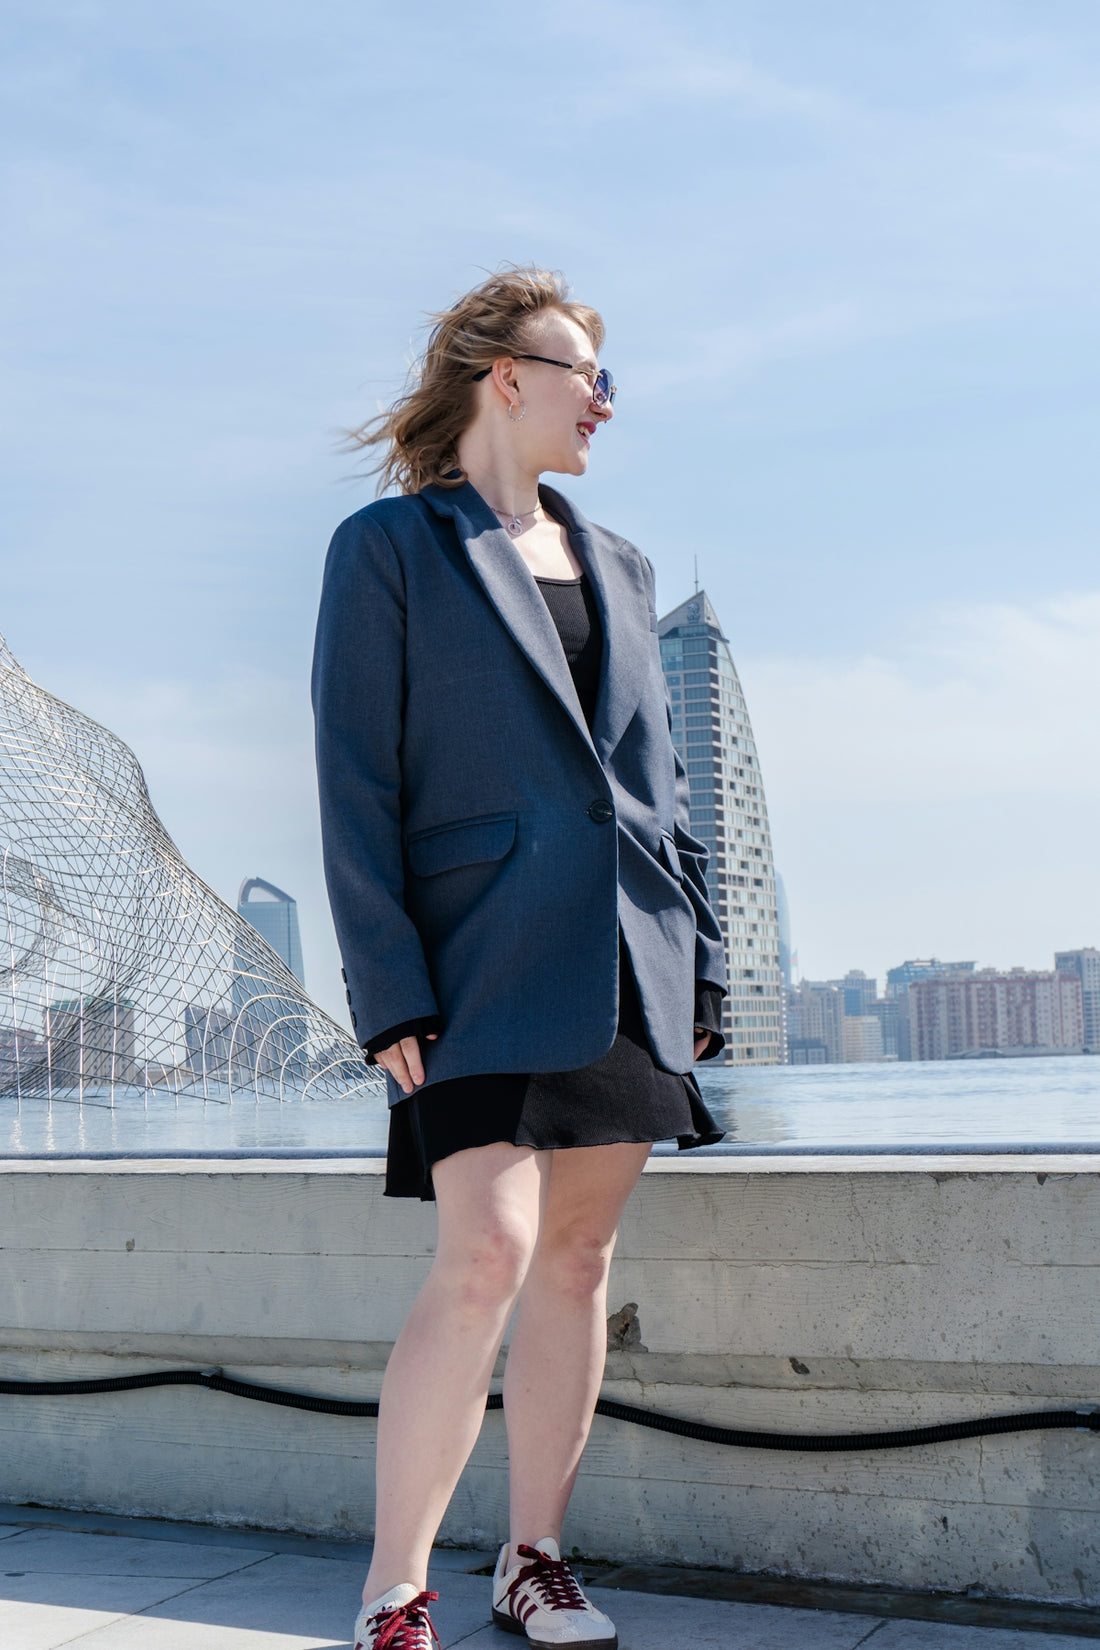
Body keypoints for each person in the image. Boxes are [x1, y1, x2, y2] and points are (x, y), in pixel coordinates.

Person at [312, 266, 727, 1650]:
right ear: (508, 375)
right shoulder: (388, 549)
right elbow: (356, 781)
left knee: (576, 1256)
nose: (604, 401)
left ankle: (534, 1557)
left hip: (623, 955)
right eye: (584, 374)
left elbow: (664, 793)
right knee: (484, 1251)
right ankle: (396, 1583)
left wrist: (704, 971)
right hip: (471, 961)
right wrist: (388, 991)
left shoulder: (622, 565)